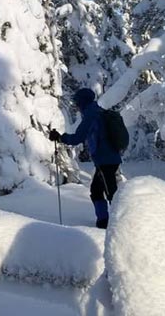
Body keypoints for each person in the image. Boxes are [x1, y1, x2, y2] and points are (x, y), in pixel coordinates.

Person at [49, 88, 121, 228]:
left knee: (110, 193)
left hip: (105, 160)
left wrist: (60, 138)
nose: (76, 106)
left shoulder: (91, 115)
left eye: (77, 102)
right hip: (108, 159)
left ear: (82, 102)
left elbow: (78, 137)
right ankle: (104, 222)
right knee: (97, 190)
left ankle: (117, 222)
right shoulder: (97, 111)